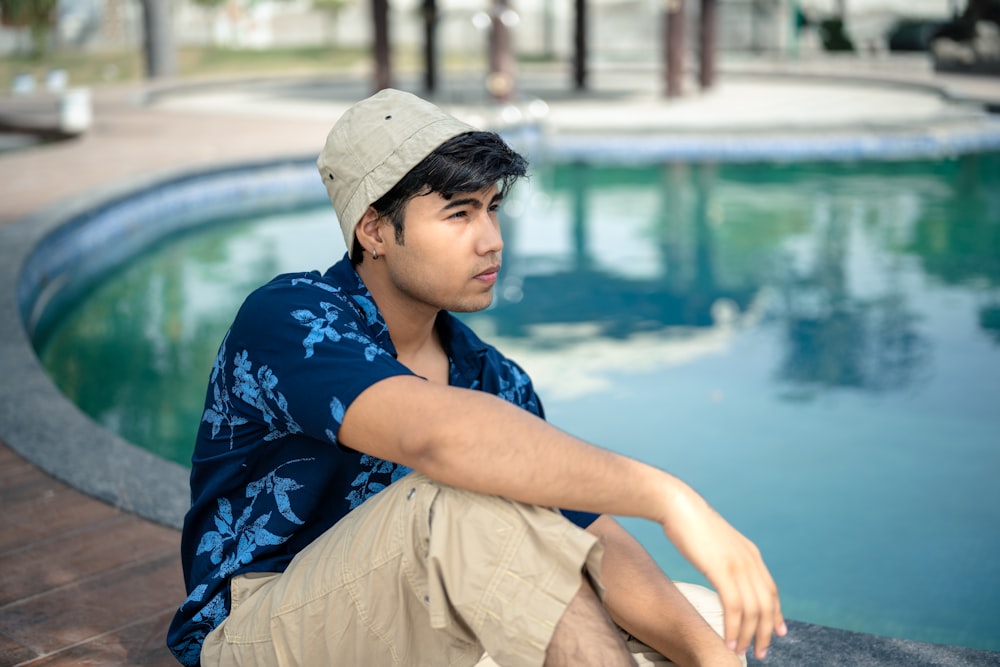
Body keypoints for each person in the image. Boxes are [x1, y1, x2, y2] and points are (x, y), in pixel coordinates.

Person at [167, 88, 786, 667]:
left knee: (699, 621)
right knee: (465, 492)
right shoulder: (291, 319)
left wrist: (713, 659)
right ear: (375, 230)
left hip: (421, 616)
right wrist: (673, 501)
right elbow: (440, 441)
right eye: (459, 214)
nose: (491, 240)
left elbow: (586, 530)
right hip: (261, 629)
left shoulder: (491, 377)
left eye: (492, 209)